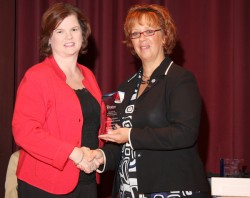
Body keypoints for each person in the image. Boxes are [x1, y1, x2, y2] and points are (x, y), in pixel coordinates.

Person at [89, 3, 211, 198]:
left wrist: (130, 135)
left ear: (164, 36)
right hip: (129, 190)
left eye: (149, 31)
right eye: (136, 33)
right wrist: (101, 156)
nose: (142, 38)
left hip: (173, 189)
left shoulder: (180, 79)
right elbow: (119, 140)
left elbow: (185, 133)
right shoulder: (125, 88)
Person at [12, 2, 106, 198]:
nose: (69, 36)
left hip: (87, 180)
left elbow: (96, 125)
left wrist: (99, 155)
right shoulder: (37, 76)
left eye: (74, 29)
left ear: (83, 34)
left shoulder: (89, 76)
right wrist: (73, 153)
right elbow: (25, 131)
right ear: (49, 39)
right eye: (60, 31)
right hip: (45, 185)